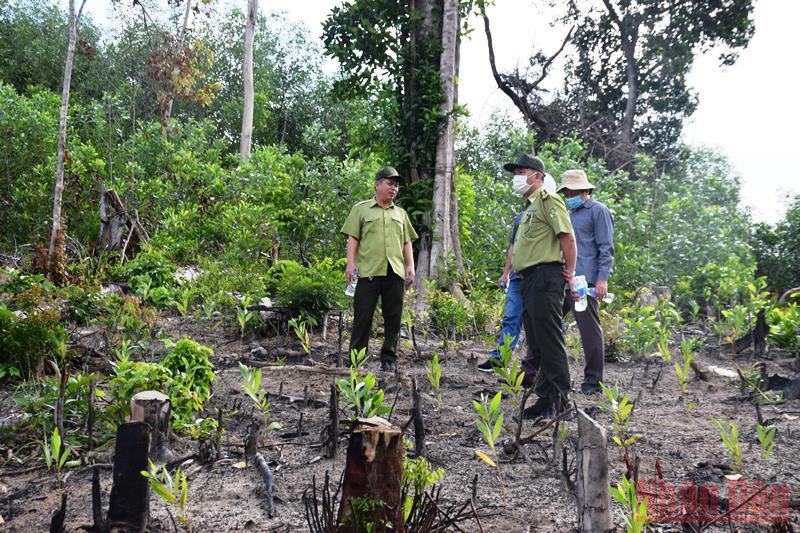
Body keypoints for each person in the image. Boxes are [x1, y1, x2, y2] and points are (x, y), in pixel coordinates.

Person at [504, 154, 577, 419]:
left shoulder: (549, 201)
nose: (517, 177)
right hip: (529, 280)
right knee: (536, 342)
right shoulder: (528, 208)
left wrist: (569, 273)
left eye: (521, 171)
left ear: (537, 176)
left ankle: (560, 400)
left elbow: (567, 238)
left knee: (549, 340)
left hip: (546, 277)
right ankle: (546, 399)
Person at [341, 166, 418, 372]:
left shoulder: (400, 214)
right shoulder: (362, 209)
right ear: (377, 184)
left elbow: (406, 241)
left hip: (394, 273)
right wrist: (350, 263)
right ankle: (357, 359)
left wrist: (410, 265)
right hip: (368, 272)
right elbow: (353, 237)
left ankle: (389, 359)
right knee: (363, 317)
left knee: (393, 318)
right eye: (389, 183)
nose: (394, 188)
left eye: (396, 185)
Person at [478, 173, 558, 372]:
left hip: (540, 276)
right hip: (517, 277)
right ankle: (500, 359)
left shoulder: (552, 210)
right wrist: (506, 273)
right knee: (511, 318)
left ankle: (534, 367)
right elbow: (513, 247)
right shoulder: (520, 217)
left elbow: (563, 242)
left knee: (539, 324)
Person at [557, 169, 614, 395]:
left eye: (571, 191)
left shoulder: (599, 211)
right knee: (545, 325)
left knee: (589, 331)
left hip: (584, 281)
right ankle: (536, 372)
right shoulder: (567, 213)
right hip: (562, 280)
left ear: (583, 190)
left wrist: (602, 279)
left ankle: (593, 381)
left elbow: (605, 247)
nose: (568, 195)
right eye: (566, 191)